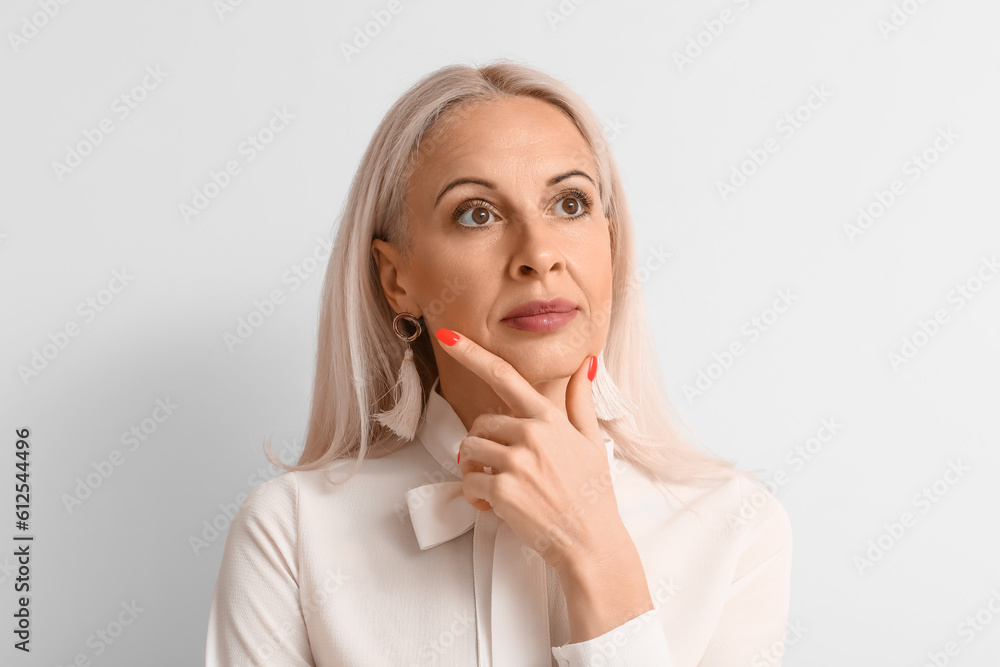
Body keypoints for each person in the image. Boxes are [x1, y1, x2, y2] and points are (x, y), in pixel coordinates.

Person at [205, 60, 793, 666]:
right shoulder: (293, 532)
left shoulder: (735, 526)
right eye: (476, 214)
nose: (539, 255)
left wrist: (595, 551)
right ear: (396, 278)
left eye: (570, 204)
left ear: (610, 246)